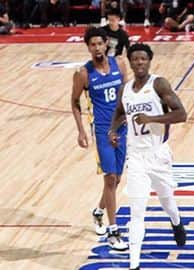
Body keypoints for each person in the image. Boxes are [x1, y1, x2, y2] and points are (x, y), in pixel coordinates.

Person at [107, 42, 187, 270]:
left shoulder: (159, 84)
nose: (139, 63)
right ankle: (134, 268)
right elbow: (120, 112)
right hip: (136, 157)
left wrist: (152, 118)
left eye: (143, 59)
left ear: (149, 61)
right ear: (130, 62)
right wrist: (112, 129)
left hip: (158, 154)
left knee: (166, 200)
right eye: (135, 59)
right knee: (136, 212)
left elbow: (181, 114)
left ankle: (176, 221)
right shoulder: (125, 89)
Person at [72, 26, 128, 253]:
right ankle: (113, 232)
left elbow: (126, 94)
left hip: (122, 128)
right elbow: (74, 102)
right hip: (103, 130)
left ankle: (98, 211)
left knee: (117, 180)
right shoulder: (83, 74)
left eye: (99, 43)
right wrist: (81, 131)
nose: (96, 48)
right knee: (110, 177)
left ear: (106, 44)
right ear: (88, 47)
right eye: (91, 45)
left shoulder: (120, 64)